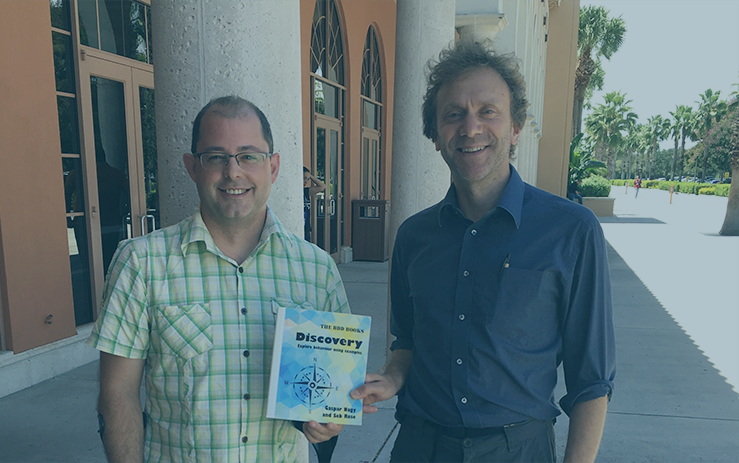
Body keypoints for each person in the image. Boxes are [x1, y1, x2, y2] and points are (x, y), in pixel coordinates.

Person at [351, 40, 615, 463]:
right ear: (435, 136)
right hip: (420, 447)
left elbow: (592, 380)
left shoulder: (571, 231)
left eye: (488, 111)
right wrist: (393, 377)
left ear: (515, 128)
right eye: (453, 114)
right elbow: (408, 341)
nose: (470, 128)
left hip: (519, 451)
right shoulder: (414, 236)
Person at [88, 96, 347, 463]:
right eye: (215, 157)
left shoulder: (317, 271)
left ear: (273, 167)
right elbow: (118, 395)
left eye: (248, 156)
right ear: (192, 167)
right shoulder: (141, 264)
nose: (233, 172)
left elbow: (329, 396)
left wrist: (326, 423)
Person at [303, 166, 326, 241]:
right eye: (304, 178)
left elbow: (322, 186)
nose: (306, 181)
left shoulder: (306, 191)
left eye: (307, 179)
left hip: (306, 229)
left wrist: (310, 176)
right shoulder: (293, 192)